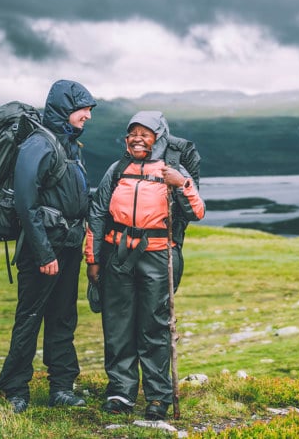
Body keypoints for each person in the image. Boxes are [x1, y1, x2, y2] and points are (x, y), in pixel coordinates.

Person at [87, 111, 205, 421]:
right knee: (118, 324)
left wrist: (182, 184)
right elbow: (98, 213)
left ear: (159, 136)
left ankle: (157, 398)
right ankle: (120, 393)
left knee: (154, 326)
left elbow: (197, 212)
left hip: (157, 255)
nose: (137, 138)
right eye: (132, 133)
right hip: (118, 255)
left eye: (146, 132)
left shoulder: (173, 171)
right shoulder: (117, 170)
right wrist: (94, 259)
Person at [0, 79, 97, 414]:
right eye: (83, 109)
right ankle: (14, 390)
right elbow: (26, 201)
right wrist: (43, 253)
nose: (88, 116)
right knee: (30, 316)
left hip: (67, 246)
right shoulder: (39, 144)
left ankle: (62, 388)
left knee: (63, 317)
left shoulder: (69, 146)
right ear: (65, 108)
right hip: (45, 249)